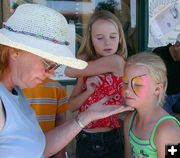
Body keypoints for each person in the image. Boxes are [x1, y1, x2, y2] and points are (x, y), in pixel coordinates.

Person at [0, 4, 134, 158]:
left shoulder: (17, 94)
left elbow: (39, 148)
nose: (50, 73)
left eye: (54, 65)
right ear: (15, 52)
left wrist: (84, 118)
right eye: (47, 62)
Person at [64, 10, 128, 158]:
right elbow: (71, 106)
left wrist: (83, 59)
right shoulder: (86, 71)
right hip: (84, 138)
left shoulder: (116, 61)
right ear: (91, 40)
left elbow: (68, 71)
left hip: (111, 138)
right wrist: (88, 91)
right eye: (100, 38)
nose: (107, 42)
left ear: (120, 39)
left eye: (113, 36)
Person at [123, 53, 180, 158]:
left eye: (138, 84)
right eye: (125, 83)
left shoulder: (168, 131)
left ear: (157, 89)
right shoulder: (129, 120)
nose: (127, 90)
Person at [22, 78, 68, 158]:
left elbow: (61, 121)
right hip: (20, 148)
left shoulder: (57, 87)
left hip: (49, 148)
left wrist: (61, 151)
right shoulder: (11, 87)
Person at [153, 33, 180, 115]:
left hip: (178, 96)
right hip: (162, 97)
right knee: (168, 121)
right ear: (177, 47)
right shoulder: (158, 54)